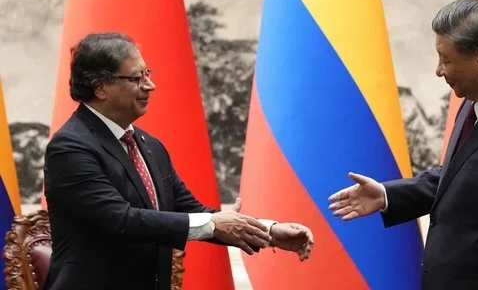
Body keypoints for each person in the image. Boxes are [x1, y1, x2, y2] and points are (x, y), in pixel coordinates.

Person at [328, 0, 478, 290]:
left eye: (446, 59)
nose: (439, 71)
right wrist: (387, 195)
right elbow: (459, 176)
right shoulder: (477, 99)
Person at [43, 33, 314, 290]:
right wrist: (214, 224)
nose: (150, 85)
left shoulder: (149, 146)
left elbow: (190, 209)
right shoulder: (70, 147)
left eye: (147, 74)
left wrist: (269, 230)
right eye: (136, 78)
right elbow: (120, 220)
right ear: (100, 87)